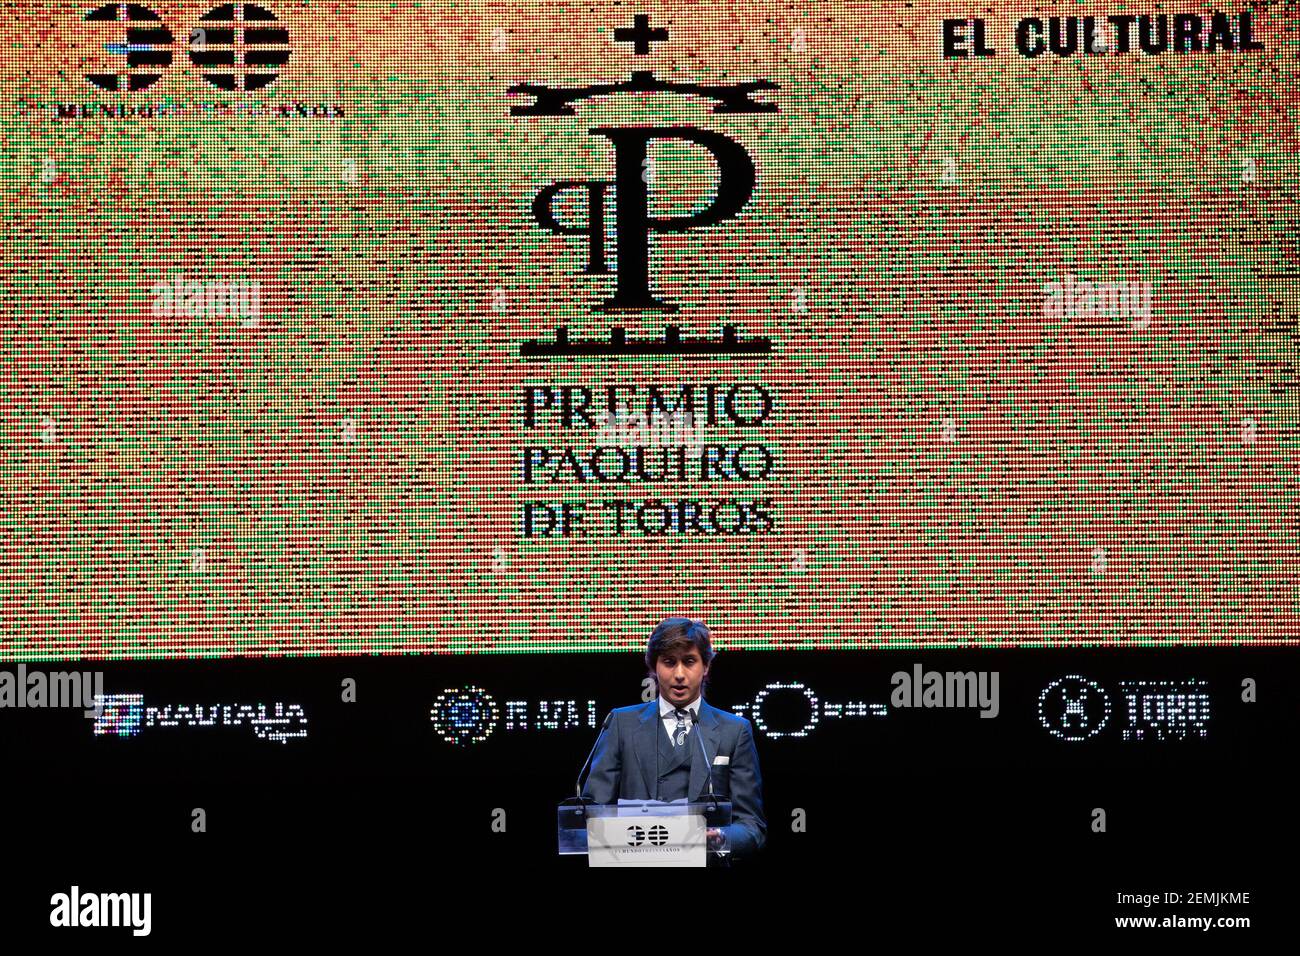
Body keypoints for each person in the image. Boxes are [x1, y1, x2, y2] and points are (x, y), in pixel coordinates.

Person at [580, 617, 767, 861]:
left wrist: (720, 836)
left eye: (689, 661)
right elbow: (593, 814)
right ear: (654, 667)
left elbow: (752, 826)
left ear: (706, 666)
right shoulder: (620, 724)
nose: (679, 674)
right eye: (669, 662)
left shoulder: (735, 731)